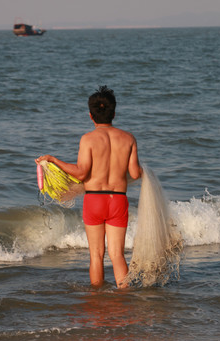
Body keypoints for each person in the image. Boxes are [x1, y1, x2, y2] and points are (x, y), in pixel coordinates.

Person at [35, 86, 142, 288]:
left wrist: (52, 159)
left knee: (96, 254)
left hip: (94, 200)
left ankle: (97, 300)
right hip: (118, 200)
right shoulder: (128, 138)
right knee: (117, 254)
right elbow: (135, 174)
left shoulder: (88, 139)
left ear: (90, 116)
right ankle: (126, 298)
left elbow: (81, 172)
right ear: (114, 113)